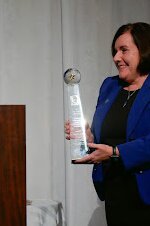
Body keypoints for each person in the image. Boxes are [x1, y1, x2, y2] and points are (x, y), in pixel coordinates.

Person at [65, 22, 150, 226]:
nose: (116, 58)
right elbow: (106, 137)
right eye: (114, 51)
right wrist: (87, 138)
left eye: (124, 50)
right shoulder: (110, 86)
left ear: (145, 50)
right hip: (115, 194)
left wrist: (115, 152)